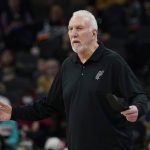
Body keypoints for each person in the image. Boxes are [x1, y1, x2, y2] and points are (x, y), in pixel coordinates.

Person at [0, 10, 148, 150]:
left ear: (93, 33)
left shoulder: (112, 62)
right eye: (70, 29)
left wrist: (136, 109)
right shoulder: (68, 66)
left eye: (79, 28)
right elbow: (48, 106)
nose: (73, 34)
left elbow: (139, 96)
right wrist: (14, 113)